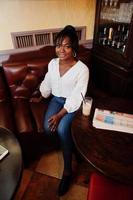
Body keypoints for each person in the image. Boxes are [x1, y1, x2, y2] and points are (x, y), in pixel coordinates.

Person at [39, 25, 89, 196]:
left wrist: (60, 115)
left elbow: (77, 97)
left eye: (67, 46)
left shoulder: (82, 69)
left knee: (61, 128)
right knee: (47, 128)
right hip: (56, 99)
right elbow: (47, 84)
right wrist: (40, 94)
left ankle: (67, 172)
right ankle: (69, 144)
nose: (61, 49)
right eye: (59, 45)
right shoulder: (52, 63)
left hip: (71, 103)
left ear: (73, 48)